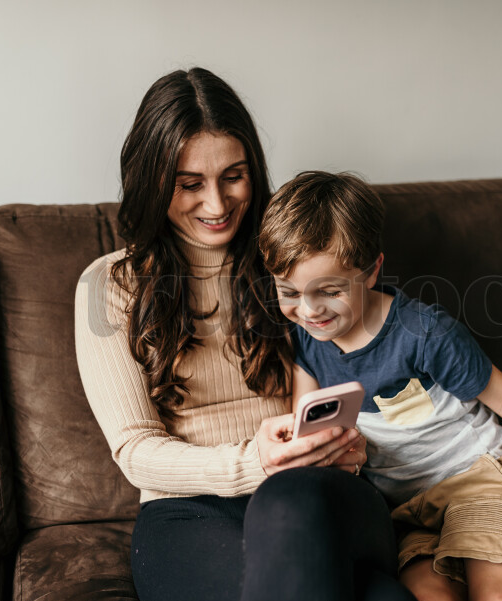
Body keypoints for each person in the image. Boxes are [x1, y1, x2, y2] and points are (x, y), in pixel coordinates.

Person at [74, 69, 414, 601]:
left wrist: (348, 444)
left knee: (288, 505)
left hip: (315, 493)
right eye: (189, 184)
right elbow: (134, 449)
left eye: (233, 176)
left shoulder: (292, 260)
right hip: (187, 509)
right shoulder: (110, 285)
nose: (216, 204)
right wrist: (250, 464)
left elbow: (378, 364)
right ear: (153, 180)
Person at [257, 171, 502, 601]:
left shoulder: (423, 332)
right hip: (409, 513)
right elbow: (312, 437)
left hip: (481, 480)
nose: (309, 309)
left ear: (371, 270)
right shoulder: (304, 341)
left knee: (497, 594)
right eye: (289, 292)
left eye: (329, 291)